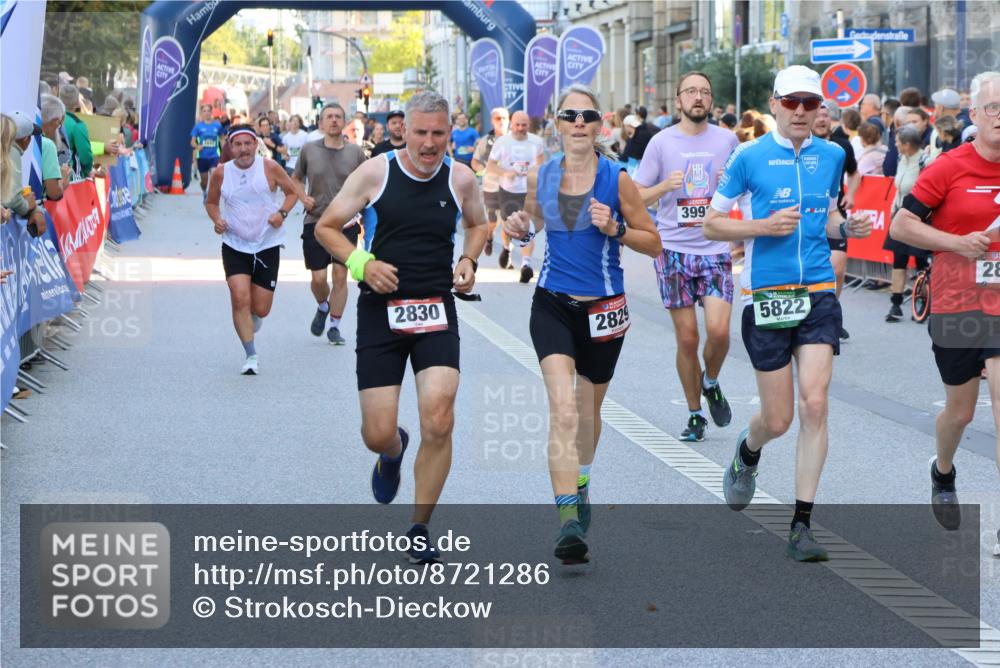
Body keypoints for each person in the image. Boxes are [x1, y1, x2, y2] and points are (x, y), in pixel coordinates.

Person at [703, 65, 872, 562]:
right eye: (792, 102)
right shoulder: (748, 156)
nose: (801, 111)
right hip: (767, 295)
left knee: (815, 404)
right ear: (774, 104)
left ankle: (802, 524)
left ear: (821, 108)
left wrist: (849, 227)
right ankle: (748, 449)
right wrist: (762, 226)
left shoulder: (832, 154)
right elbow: (712, 224)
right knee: (778, 419)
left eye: (810, 103)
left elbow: (831, 215)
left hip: (818, 291)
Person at [313, 91, 488, 565]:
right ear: (403, 131)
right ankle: (392, 451)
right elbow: (327, 227)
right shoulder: (376, 173)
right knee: (377, 432)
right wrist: (362, 263)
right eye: (421, 133)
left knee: (440, 416)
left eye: (438, 134)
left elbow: (478, 225)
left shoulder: (460, 178)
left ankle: (419, 527)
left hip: (435, 308)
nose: (429, 143)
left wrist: (468, 260)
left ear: (450, 134)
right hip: (380, 309)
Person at [503, 84, 660, 563]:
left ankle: (582, 478)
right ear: (557, 124)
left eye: (587, 116)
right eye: (569, 115)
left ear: (599, 126)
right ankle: (568, 520)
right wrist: (519, 231)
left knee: (588, 415)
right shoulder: (543, 175)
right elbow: (531, 226)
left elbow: (653, 242)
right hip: (552, 304)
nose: (578, 123)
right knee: (564, 411)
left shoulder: (618, 180)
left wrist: (616, 228)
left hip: (604, 310)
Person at [888, 71, 1000, 544]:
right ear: (974, 114)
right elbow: (900, 226)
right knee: (961, 413)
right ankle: (944, 470)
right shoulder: (949, 167)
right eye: (993, 108)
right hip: (958, 305)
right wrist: (957, 242)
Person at [633, 71, 740, 442]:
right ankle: (695, 415)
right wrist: (665, 185)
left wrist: (732, 183)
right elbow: (635, 195)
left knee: (720, 332)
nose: (698, 97)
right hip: (674, 250)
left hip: (715, 247)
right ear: (678, 100)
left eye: (705, 92)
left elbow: (748, 190)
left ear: (711, 101)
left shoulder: (728, 140)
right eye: (691, 91)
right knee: (689, 339)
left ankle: (711, 382)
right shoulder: (661, 142)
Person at [204, 124, 301, 375]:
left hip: (267, 243)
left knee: (261, 308)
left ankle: (253, 318)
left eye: (248, 143)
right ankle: (251, 355)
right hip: (234, 244)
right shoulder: (221, 173)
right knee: (239, 298)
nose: (243, 149)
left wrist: (281, 213)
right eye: (238, 144)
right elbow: (211, 202)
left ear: (256, 145)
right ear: (230, 147)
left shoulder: (269, 167)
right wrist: (217, 219)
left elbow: (292, 193)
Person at [292, 104, 366, 345]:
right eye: (329, 117)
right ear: (321, 123)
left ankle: (334, 325)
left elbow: (367, 184)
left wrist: (363, 212)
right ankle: (323, 306)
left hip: (346, 224)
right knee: (318, 279)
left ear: (344, 122)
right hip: (316, 221)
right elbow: (295, 179)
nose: (334, 120)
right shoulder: (309, 150)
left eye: (338, 117)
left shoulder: (355, 153)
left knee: (340, 276)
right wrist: (303, 197)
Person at [814, 101, 860, 338]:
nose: (822, 119)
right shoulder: (798, 145)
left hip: (835, 215)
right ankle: (812, 315)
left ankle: (830, 313)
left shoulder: (842, 146)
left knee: (837, 269)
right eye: (817, 115)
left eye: (826, 116)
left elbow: (854, 173)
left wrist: (851, 194)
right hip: (806, 217)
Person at [486, 110, 544, 282]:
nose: (520, 128)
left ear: (529, 125)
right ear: (511, 124)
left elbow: (541, 163)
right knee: (508, 227)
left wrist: (536, 173)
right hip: (508, 191)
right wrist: (505, 172)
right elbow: (490, 166)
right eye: (517, 125)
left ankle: (526, 265)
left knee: (528, 226)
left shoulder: (536, 141)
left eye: (523, 125)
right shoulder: (502, 142)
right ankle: (507, 248)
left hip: (529, 191)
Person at [882, 123, 930, 322]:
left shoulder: (926, 161)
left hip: (918, 217)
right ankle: (895, 304)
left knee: (921, 261)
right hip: (900, 214)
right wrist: (893, 209)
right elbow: (899, 188)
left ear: (907, 144)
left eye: (897, 142)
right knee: (899, 259)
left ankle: (923, 302)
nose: (895, 145)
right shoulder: (902, 158)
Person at [470, 107, 509, 257]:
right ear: (492, 121)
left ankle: (507, 249)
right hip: (491, 187)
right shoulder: (485, 141)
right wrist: (481, 168)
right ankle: (489, 237)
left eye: (504, 118)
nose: (501, 121)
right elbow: (474, 161)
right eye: (498, 118)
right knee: (492, 221)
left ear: (509, 120)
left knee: (508, 222)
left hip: (511, 188)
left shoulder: (516, 140)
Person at [3, 112, 48, 237]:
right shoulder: (12, 151)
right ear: (25, 139)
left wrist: (34, 209)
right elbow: (11, 199)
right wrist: (27, 206)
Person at [58, 84, 92, 178]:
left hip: (50, 175)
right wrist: (86, 172)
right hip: (70, 177)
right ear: (77, 103)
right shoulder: (77, 125)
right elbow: (85, 157)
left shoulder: (50, 118)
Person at [191, 104, 224, 196]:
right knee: (204, 181)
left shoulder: (217, 125)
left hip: (214, 156)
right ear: (202, 113)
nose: (206, 113)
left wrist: (223, 149)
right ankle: (204, 191)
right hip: (202, 157)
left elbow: (222, 138)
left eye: (208, 110)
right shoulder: (198, 127)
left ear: (211, 112)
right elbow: (192, 142)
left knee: (214, 175)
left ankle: (211, 195)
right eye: (204, 111)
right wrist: (197, 146)